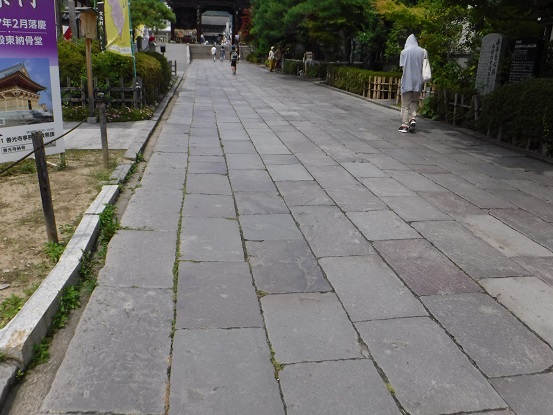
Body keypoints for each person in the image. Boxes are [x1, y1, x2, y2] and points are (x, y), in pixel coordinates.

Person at [398, 34, 428, 133]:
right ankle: (413, 118)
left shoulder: (404, 52)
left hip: (407, 81)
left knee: (405, 104)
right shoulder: (423, 51)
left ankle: (404, 125)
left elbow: (403, 68)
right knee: (414, 101)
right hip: (418, 81)